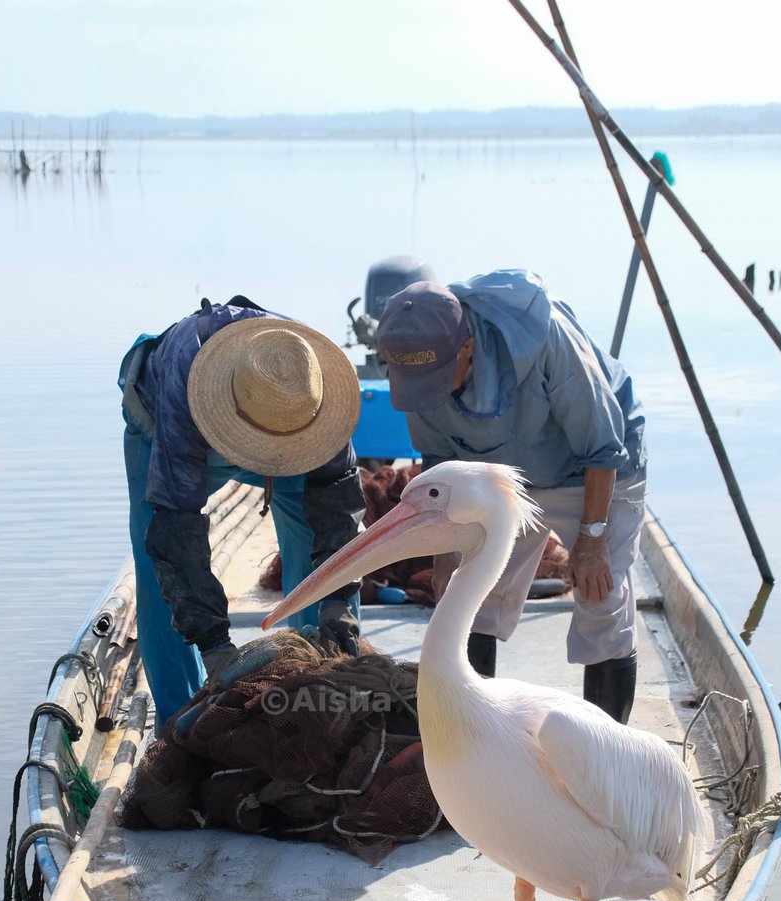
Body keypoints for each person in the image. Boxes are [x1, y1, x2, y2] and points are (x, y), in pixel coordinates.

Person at [375, 269, 647, 725]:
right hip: (498, 471)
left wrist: (592, 540)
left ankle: (611, 750)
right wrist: (447, 558)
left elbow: (602, 444)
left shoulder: (545, 340)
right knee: (468, 596)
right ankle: (475, 734)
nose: (430, 394)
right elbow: (439, 457)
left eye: (439, 377)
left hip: (592, 468)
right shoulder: (420, 375)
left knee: (601, 596)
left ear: (466, 346)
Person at [119, 296, 366, 727]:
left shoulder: (314, 389)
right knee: (156, 566)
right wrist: (215, 645)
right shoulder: (184, 386)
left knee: (315, 550)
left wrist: (338, 598)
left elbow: (339, 510)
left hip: (290, 436)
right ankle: (182, 719)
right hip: (168, 424)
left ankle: (320, 700)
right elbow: (175, 537)